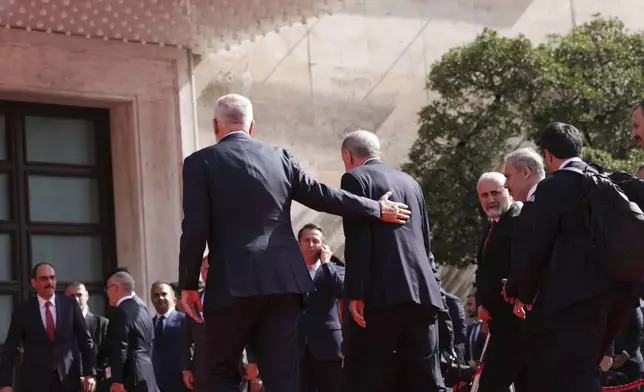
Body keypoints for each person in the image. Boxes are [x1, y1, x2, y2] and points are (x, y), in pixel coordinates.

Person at [178, 94, 411, 392]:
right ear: (251, 126)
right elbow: (324, 196)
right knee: (283, 376)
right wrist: (376, 208)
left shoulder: (200, 162)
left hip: (232, 282)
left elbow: (195, 226)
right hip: (285, 283)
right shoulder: (281, 158)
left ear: (215, 126)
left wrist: (187, 284)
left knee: (219, 370)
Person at [503, 122, 619, 392]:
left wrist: (525, 294)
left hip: (571, 298)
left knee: (572, 374)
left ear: (548, 156)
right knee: (585, 368)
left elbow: (539, 245)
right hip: (609, 291)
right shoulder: (602, 177)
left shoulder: (552, 187)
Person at [338, 129, 447, 392]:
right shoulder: (411, 182)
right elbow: (425, 242)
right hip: (422, 295)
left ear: (347, 155)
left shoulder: (355, 178)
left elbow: (358, 239)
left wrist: (356, 293)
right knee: (425, 380)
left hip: (381, 296)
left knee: (369, 377)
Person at [0, 263, 96, 392]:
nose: (50, 282)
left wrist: (89, 373)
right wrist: (6, 384)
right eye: (44, 278)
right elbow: (10, 348)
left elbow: (85, 341)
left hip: (68, 379)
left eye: (52, 278)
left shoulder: (70, 306)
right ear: (33, 283)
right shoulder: (23, 311)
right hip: (35, 382)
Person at [475, 172, 527, 392]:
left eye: (495, 192)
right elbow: (485, 271)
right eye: (484, 195)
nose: (490, 199)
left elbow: (522, 268)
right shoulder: (492, 226)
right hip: (500, 322)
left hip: (516, 323)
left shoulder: (518, 221)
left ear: (509, 191)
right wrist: (481, 303)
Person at [297, 223, 345, 392]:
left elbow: (342, 290)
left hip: (328, 348)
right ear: (299, 244)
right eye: (306, 240)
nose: (310, 245)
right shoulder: (290, 272)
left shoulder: (335, 270)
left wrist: (327, 263)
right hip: (298, 349)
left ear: (323, 245)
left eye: (315, 241)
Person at [103, 271, 157, 392]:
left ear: (116, 287)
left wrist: (117, 380)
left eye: (107, 288)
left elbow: (119, 347)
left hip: (131, 377)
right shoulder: (143, 309)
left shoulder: (120, 311)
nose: (107, 293)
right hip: (147, 373)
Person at [65, 282, 109, 383]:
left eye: (79, 295)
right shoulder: (60, 325)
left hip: (94, 384)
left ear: (87, 296)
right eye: (71, 296)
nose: (76, 299)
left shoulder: (102, 324)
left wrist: (92, 375)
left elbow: (107, 357)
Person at [150, 281, 189, 392]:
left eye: (164, 294)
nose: (160, 298)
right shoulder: (149, 324)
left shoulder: (185, 321)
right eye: (156, 295)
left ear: (174, 300)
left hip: (181, 385)